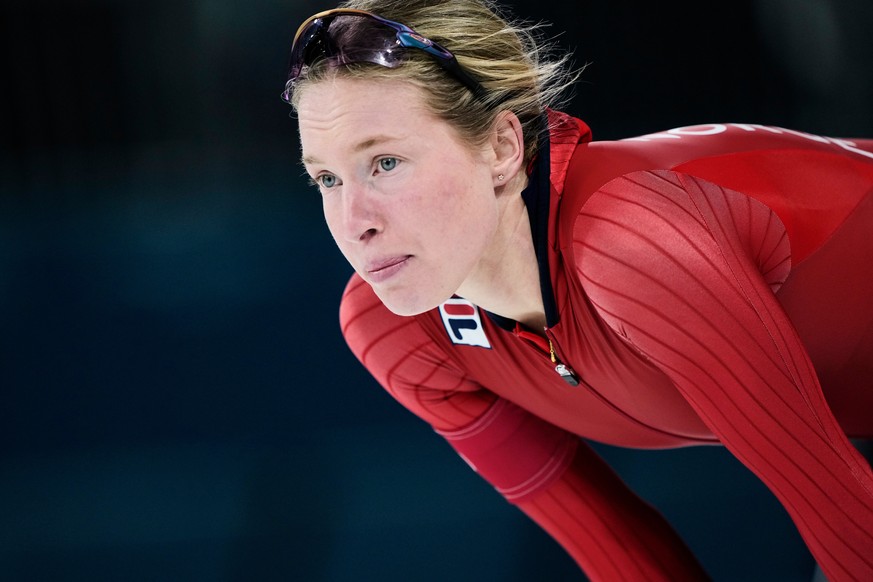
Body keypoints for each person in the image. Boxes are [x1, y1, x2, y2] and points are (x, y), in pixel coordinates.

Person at [281, 0, 873, 579]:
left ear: (501, 149)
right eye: (327, 178)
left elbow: (837, 503)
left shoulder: (632, 242)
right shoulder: (398, 333)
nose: (353, 219)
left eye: (385, 163)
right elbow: (616, 551)